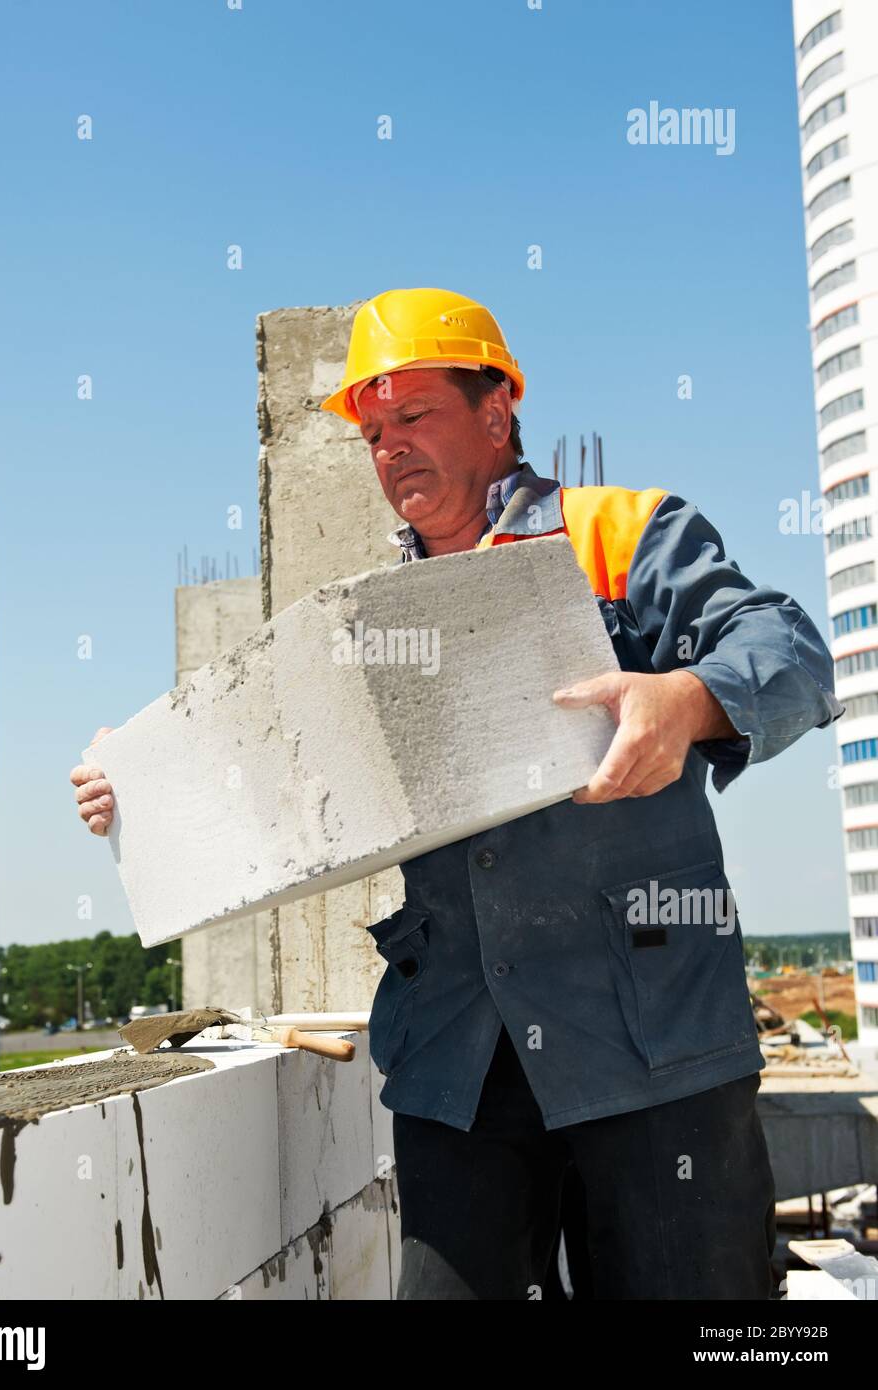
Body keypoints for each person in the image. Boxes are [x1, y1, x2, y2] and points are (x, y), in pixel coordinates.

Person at [70, 287, 843, 1300]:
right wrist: (135, 791)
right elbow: (265, 795)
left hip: (653, 1053)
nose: (390, 449)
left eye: (416, 416)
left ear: (495, 411)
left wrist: (688, 696)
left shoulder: (616, 533)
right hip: (460, 1065)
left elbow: (792, 653)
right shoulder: (365, 623)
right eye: (374, 431)